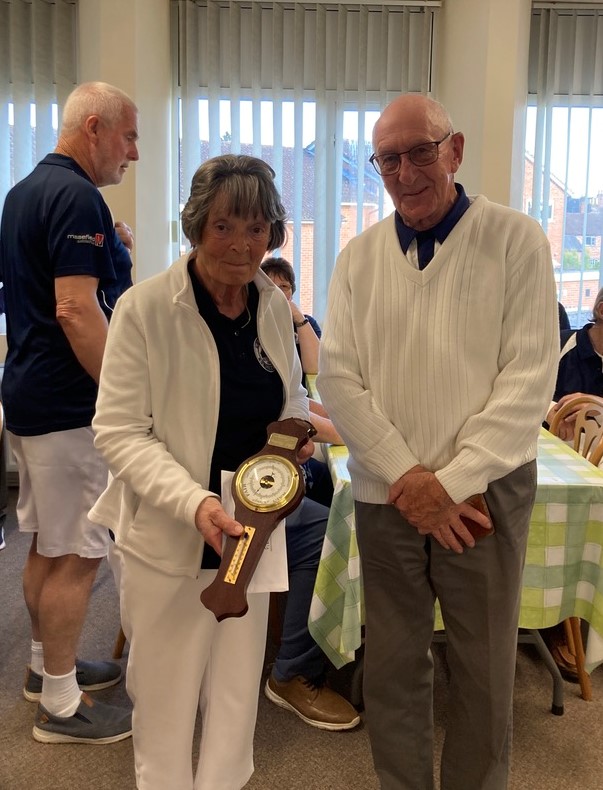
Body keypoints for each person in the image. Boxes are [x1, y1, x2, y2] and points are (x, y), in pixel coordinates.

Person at [88, 154, 355, 790]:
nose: (241, 244)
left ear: (274, 233)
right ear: (197, 225)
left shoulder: (272, 305)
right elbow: (119, 431)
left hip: (256, 525)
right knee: (166, 702)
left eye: (257, 228)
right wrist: (196, 503)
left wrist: (292, 446)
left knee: (237, 700)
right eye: (224, 226)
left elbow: (291, 396)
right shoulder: (145, 309)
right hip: (171, 529)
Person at [318, 94, 559, 790]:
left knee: (483, 669)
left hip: (482, 494)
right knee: (392, 665)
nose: (403, 171)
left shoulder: (515, 239)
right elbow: (338, 376)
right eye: (387, 159)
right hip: (385, 492)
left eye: (419, 151)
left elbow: (527, 377)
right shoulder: (358, 258)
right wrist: (406, 478)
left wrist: (446, 486)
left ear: (453, 151)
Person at [0, 81, 139, 744]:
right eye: (128, 136)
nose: (132, 152)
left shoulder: (25, 191)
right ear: (93, 127)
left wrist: (118, 252)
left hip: (29, 395)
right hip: (68, 406)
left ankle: (42, 669)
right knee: (78, 556)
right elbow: (77, 310)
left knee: (47, 544)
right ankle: (60, 708)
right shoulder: (76, 195)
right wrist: (125, 400)